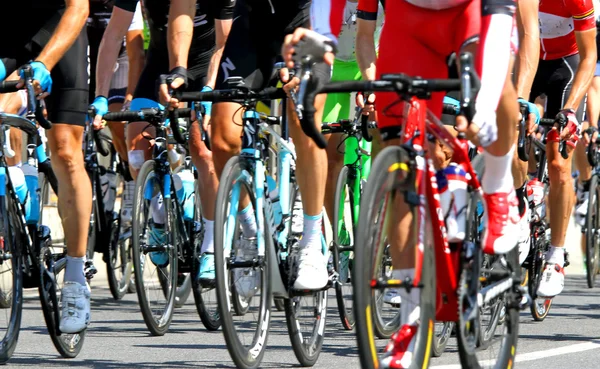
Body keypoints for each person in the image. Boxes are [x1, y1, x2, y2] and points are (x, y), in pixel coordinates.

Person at [284, 0, 521, 366]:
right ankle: (410, 316)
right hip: (408, 23)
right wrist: (321, 43)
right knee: (398, 160)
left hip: (473, 15)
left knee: (496, 87)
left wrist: (485, 104)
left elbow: (499, 20)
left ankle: (498, 185)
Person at [90, 0, 234, 283]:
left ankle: (211, 247)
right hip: (161, 65)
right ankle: (158, 216)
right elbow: (113, 34)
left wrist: (208, 89)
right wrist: (101, 96)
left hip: (206, 66)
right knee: (136, 144)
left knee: (203, 151)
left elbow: (223, 42)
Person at [0, 0, 91, 333]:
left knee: (66, 150)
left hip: (59, 31)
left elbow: (79, 8)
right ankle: (17, 193)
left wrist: (44, 63)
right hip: (9, 32)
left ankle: (77, 280)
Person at [523, 0, 597, 298]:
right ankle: (523, 193)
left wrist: (569, 110)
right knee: (512, 134)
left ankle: (556, 255)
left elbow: (589, 56)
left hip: (565, 68)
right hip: (523, 62)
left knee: (557, 163)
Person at [88, 0, 145, 225]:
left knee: (118, 117)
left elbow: (135, 55)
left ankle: (129, 181)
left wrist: (130, 97)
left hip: (120, 57)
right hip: (87, 53)